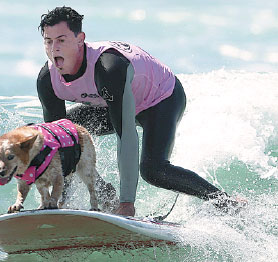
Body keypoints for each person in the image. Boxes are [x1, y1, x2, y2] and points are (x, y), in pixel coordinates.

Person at [36, 6, 244, 216]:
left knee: (154, 171)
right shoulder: (47, 80)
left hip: (161, 99)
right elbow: (60, 148)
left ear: (80, 39)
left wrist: (127, 204)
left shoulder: (108, 68)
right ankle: (105, 194)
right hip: (112, 102)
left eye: (61, 40)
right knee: (64, 135)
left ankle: (224, 202)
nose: (54, 49)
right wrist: (58, 200)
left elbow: (126, 135)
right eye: (48, 41)